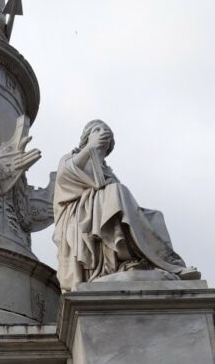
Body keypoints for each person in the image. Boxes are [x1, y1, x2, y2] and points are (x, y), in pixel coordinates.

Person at [52, 120, 193, 292]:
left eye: (107, 132)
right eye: (97, 130)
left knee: (155, 216)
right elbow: (65, 177)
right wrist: (90, 148)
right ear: (87, 137)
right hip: (82, 213)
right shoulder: (71, 158)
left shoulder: (108, 171)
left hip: (103, 207)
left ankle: (166, 263)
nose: (103, 133)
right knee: (116, 191)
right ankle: (122, 259)